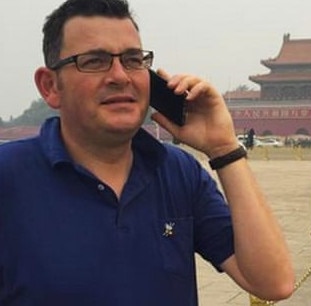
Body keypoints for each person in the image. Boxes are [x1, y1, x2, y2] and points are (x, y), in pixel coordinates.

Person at [0, 0, 294, 305]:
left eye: (133, 60)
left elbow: (273, 283)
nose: (120, 76)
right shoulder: (9, 176)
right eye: (94, 61)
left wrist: (225, 149)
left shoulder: (178, 172)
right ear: (51, 86)